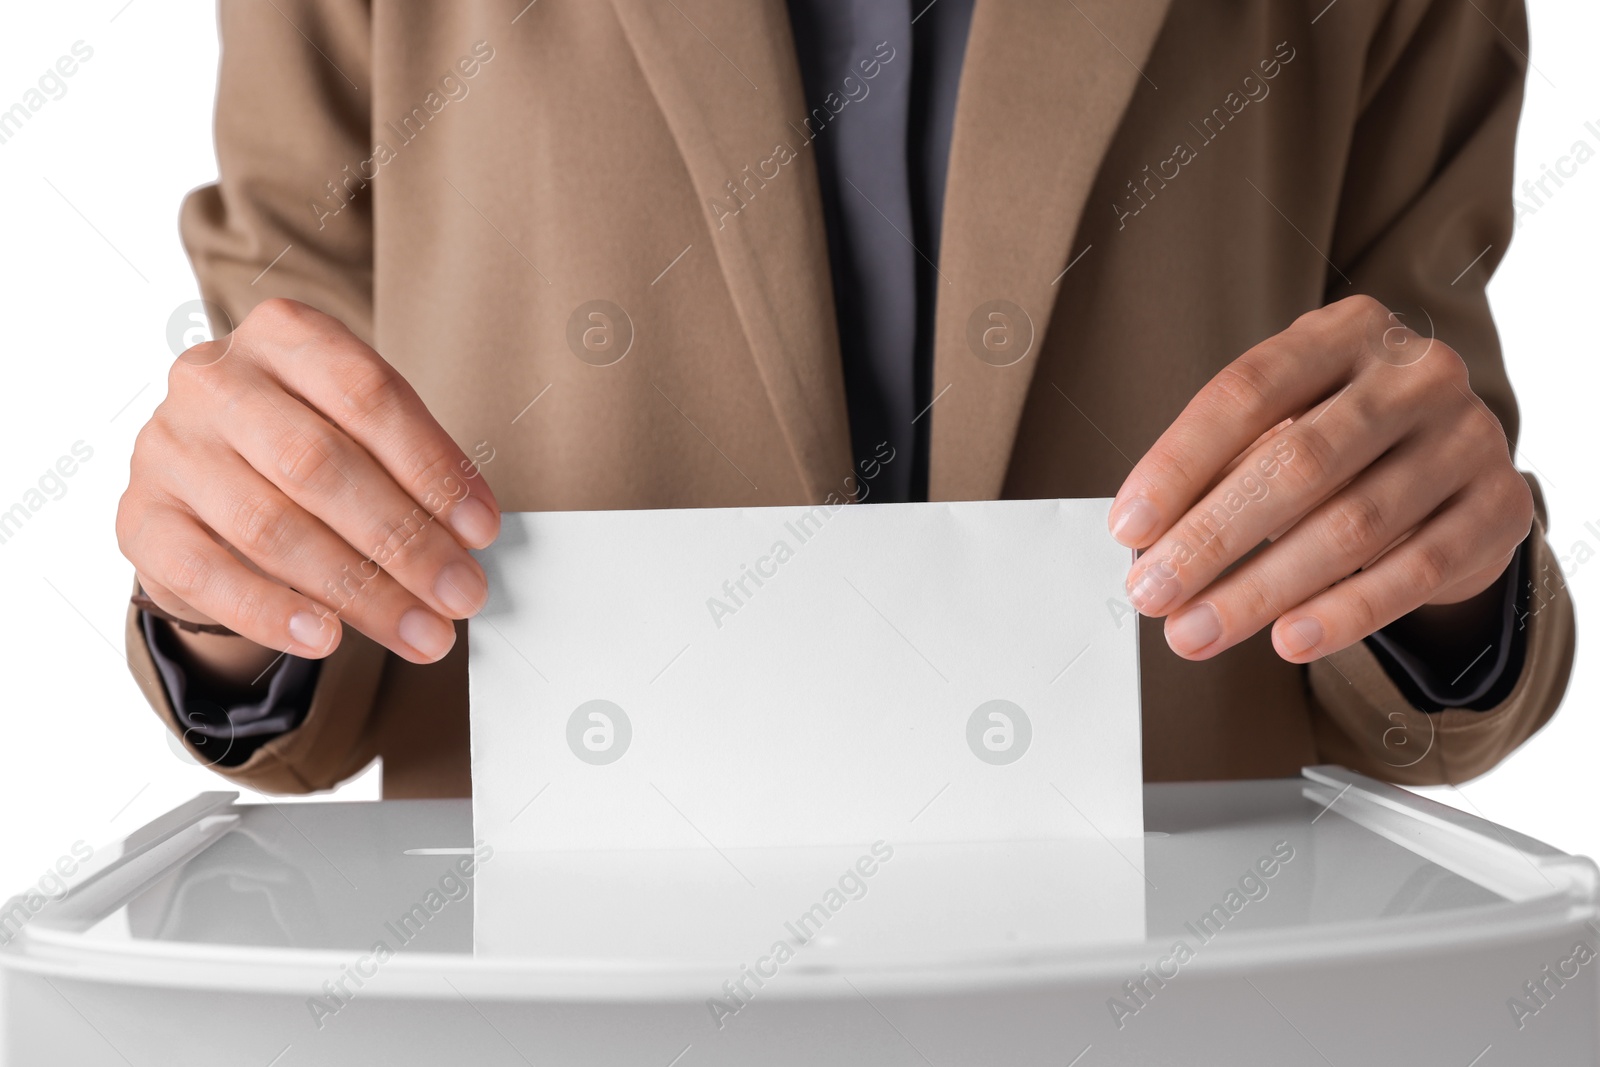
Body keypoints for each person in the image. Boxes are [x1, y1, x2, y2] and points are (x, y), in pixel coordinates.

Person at [118, 0, 1573, 798]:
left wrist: (1448, 588)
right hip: (554, 991)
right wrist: (233, 608)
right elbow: (285, 478)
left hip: (1169, 994)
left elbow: (1431, 466)